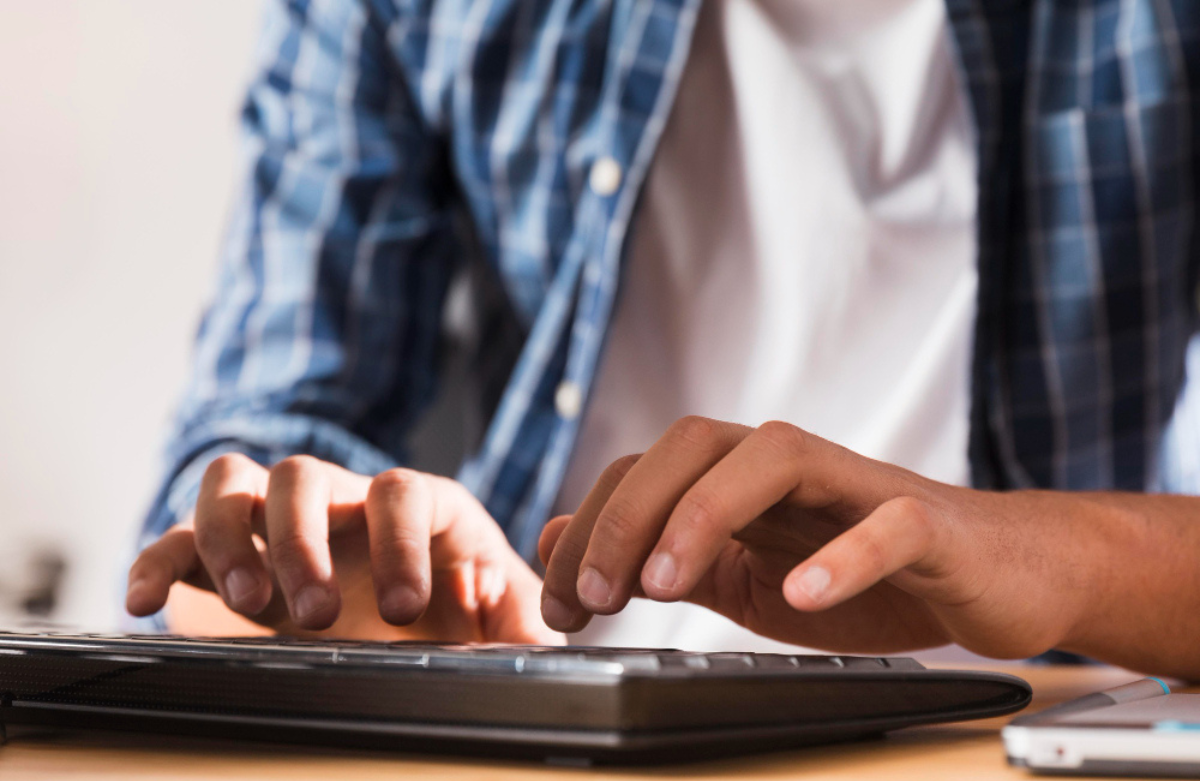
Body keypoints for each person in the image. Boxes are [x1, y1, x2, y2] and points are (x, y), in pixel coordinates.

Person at [125, 0, 1200, 679]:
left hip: (1016, 738)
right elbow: (220, 484)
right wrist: (315, 576)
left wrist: (1034, 552)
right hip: (524, 721)